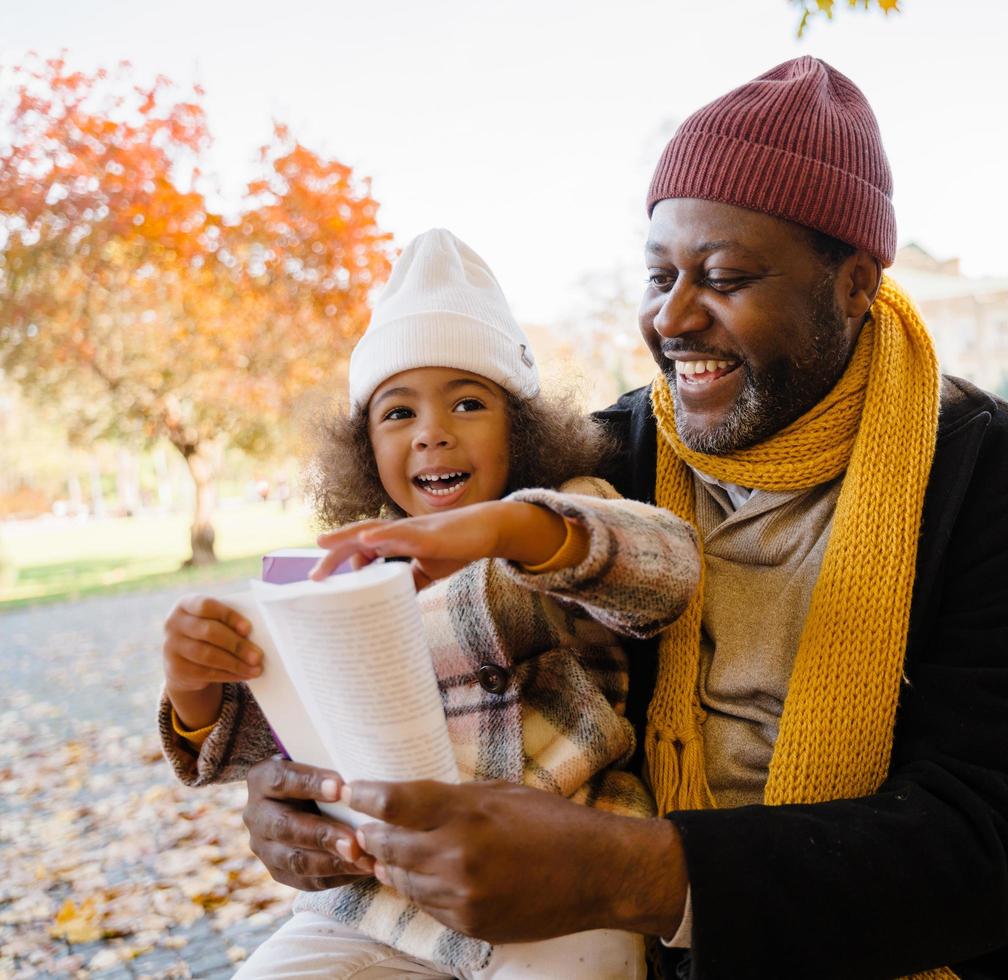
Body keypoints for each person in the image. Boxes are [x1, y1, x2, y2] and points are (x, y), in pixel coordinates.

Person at [239, 58, 1008, 979]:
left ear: (854, 284)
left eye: (724, 276)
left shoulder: (993, 473)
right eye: (659, 276)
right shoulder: (609, 459)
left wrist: (626, 874)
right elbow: (451, 664)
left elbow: (994, 841)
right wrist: (308, 805)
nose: (673, 318)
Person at [157, 229, 700, 978]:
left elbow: (665, 573)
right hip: (373, 907)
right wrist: (197, 689)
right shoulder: (344, 571)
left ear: (522, 425)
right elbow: (285, 741)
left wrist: (505, 530)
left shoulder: (557, 522)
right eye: (398, 413)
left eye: (468, 403)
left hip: (561, 892)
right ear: (364, 449)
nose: (432, 434)